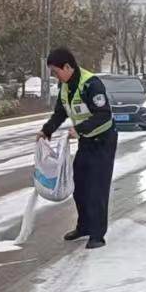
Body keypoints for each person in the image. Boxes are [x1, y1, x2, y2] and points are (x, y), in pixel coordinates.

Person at [39, 46, 117, 249]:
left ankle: (98, 235)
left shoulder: (90, 84)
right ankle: (84, 226)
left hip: (103, 140)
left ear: (67, 67)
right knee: (80, 185)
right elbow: (60, 112)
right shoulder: (65, 87)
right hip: (86, 141)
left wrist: (80, 128)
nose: (56, 76)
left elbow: (104, 114)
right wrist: (46, 130)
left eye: (56, 71)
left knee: (97, 188)